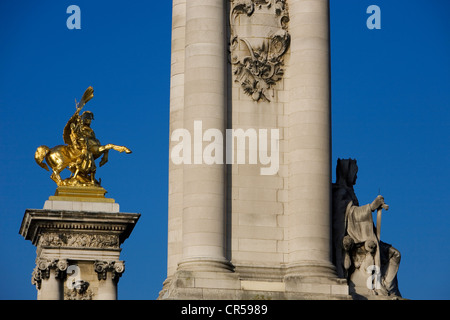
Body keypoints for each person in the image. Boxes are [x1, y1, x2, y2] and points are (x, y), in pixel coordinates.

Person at [332, 158, 401, 297]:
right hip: (356, 241)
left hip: (365, 237)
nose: (356, 177)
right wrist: (371, 207)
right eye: (354, 173)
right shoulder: (340, 193)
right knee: (394, 255)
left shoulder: (349, 192)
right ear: (347, 173)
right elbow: (348, 215)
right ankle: (380, 286)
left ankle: (387, 287)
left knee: (395, 254)